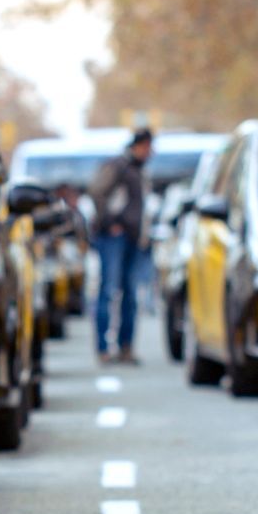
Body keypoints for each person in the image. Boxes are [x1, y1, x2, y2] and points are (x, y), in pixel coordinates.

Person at [89, 128, 153, 364]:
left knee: (130, 293)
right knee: (108, 291)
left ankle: (126, 347)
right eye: (146, 147)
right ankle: (103, 348)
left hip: (133, 239)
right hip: (113, 238)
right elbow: (97, 193)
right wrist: (110, 223)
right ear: (136, 145)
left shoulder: (139, 171)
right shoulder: (117, 166)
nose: (149, 152)